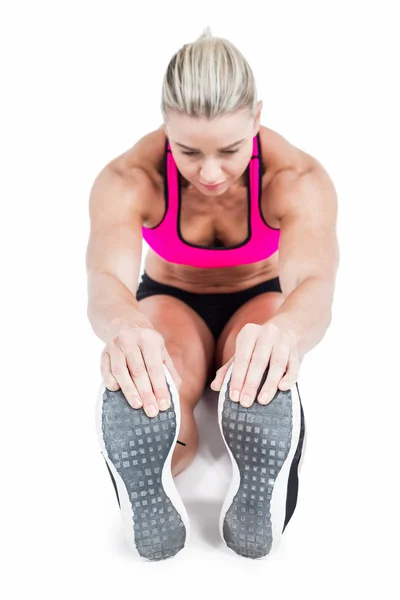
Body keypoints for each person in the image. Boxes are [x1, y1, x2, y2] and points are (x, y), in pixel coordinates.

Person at [86, 28, 339, 561]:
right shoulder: (130, 177)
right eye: (187, 151)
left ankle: (259, 447)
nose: (208, 172)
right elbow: (106, 280)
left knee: (259, 365)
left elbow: (313, 283)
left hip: (260, 297)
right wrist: (124, 329)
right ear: (165, 127)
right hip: (171, 295)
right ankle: (164, 454)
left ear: (257, 118)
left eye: (229, 150)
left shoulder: (296, 178)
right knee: (161, 373)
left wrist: (286, 334)